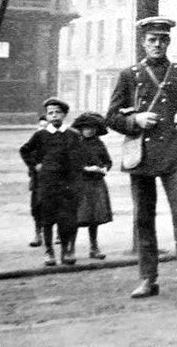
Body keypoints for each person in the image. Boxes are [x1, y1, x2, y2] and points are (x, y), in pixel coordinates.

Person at [106, 17, 177, 299]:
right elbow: (111, 117)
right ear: (143, 43)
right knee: (143, 219)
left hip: (175, 156)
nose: (157, 45)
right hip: (142, 156)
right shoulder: (129, 75)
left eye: (162, 40)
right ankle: (147, 279)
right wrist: (135, 119)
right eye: (152, 40)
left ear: (169, 42)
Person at [19, 98, 82, 266]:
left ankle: (66, 251)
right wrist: (35, 166)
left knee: (66, 219)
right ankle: (49, 251)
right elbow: (25, 150)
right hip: (47, 183)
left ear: (64, 115)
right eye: (50, 113)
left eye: (57, 112)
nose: (54, 116)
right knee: (47, 218)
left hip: (67, 184)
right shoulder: (40, 135)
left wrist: (76, 178)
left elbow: (79, 157)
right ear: (46, 116)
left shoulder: (73, 135)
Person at [72, 111, 113, 259]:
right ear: (81, 129)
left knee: (94, 218)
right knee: (77, 217)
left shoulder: (99, 144)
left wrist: (104, 168)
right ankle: (70, 249)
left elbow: (108, 161)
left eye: (93, 128)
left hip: (96, 183)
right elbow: (71, 163)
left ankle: (94, 247)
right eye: (87, 128)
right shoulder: (75, 143)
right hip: (80, 184)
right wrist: (85, 168)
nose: (90, 130)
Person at [27, 114, 47, 247]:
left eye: (45, 127)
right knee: (37, 207)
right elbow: (26, 153)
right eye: (40, 126)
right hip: (37, 180)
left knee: (55, 206)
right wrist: (34, 165)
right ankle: (38, 233)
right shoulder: (34, 142)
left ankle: (56, 234)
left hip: (54, 180)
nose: (42, 129)